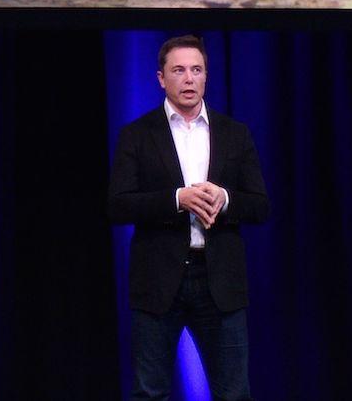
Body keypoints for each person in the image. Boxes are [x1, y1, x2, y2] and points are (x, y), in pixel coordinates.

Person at [107, 34, 271, 401]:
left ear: (206, 76)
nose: (188, 78)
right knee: (150, 392)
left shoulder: (235, 134)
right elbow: (117, 206)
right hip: (158, 281)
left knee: (234, 394)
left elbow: (260, 205)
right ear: (161, 78)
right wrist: (177, 199)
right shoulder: (136, 135)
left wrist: (225, 198)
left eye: (196, 70)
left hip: (220, 282)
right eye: (178, 70)